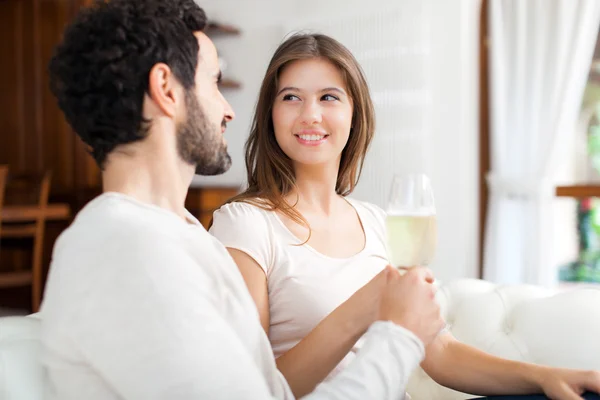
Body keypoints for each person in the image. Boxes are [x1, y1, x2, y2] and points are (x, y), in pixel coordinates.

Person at [40, 1, 446, 399]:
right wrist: (399, 336)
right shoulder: (127, 247)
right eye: (213, 83)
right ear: (166, 89)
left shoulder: (181, 236)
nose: (228, 110)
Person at [208, 33, 600, 400]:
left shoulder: (378, 223)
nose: (310, 114)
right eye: (291, 97)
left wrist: (544, 376)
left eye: (329, 97)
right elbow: (254, 389)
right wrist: (360, 311)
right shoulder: (244, 224)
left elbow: (440, 352)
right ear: (270, 113)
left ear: (354, 114)